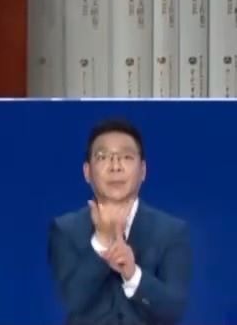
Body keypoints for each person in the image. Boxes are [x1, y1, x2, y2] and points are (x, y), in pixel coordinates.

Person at [47, 118, 192, 324]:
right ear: (87, 172)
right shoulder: (65, 229)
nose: (115, 166)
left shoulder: (171, 231)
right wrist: (101, 243)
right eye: (103, 157)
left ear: (143, 171)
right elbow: (71, 300)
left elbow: (173, 311)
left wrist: (133, 275)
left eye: (126, 157)